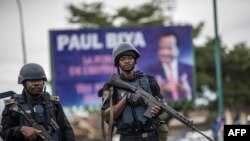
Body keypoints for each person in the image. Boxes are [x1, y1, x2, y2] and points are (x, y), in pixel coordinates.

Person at [100, 42, 168, 141]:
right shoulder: (111, 87)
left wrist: (158, 110)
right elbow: (106, 117)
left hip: (152, 135)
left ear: (135, 61)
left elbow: (161, 103)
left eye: (130, 58)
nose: (127, 61)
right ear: (117, 63)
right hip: (128, 137)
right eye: (123, 59)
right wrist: (126, 99)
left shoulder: (149, 81)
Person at [0, 63, 75, 141]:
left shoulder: (53, 103)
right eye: (32, 81)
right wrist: (21, 130)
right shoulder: (14, 105)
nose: (36, 83)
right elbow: (4, 134)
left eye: (39, 80)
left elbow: (67, 131)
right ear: (24, 83)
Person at [144, 32, 193, 101]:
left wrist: (187, 93)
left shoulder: (190, 70)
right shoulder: (148, 72)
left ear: (178, 49)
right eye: (161, 48)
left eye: (169, 48)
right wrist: (157, 93)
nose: (165, 52)